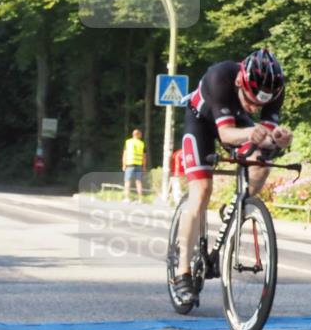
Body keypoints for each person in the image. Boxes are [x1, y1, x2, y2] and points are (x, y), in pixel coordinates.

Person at [171, 49, 293, 306]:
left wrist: (279, 139)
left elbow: (267, 135)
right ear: (240, 82)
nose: (255, 107)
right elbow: (226, 135)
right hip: (201, 121)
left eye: (260, 105)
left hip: (237, 121)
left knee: (262, 161)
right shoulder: (220, 77)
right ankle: (182, 272)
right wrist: (253, 133)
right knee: (202, 190)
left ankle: (238, 207)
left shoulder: (274, 90)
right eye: (250, 101)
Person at [122, 129, 146, 203]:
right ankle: (140, 199)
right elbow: (144, 156)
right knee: (138, 182)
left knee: (127, 181)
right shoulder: (141, 143)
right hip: (138, 164)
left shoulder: (128, 142)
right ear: (138, 135)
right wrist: (144, 166)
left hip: (129, 164)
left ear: (133, 134)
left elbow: (125, 154)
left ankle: (127, 198)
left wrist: (123, 164)